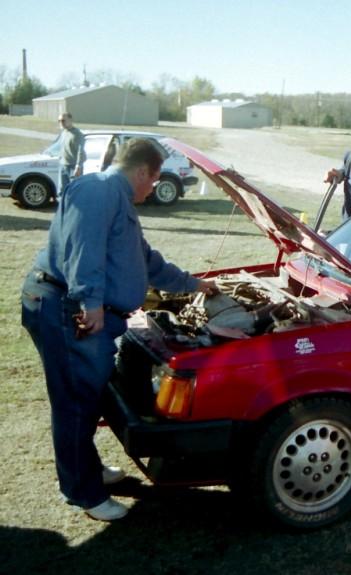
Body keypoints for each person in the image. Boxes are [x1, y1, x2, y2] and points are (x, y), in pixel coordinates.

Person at [20, 138, 217, 522]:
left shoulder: (120, 202)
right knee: (76, 403)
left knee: (87, 398)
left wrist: (195, 284)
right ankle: (83, 493)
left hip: (78, 308)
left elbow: (148, 263)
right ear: (144, 171)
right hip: (67, 309)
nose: (152, 189)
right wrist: (89, 301)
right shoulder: (99, 189)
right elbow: (83, 247)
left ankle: (86, 471)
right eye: (153, 180)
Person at [57, 113, 86, 194]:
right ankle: (64, 206)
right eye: (59, 121)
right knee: (63, 191)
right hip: (63, 165)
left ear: (70, 120)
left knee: (75, 190)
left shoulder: (77, 134)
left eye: (63, 120)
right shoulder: (64, 132)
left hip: (73, 167)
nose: (61, 123)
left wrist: (78, 166)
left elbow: (81, 151)